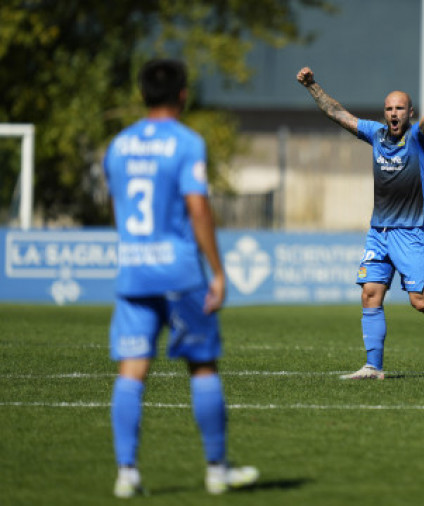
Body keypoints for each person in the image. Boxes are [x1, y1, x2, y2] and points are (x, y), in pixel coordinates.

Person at [103, 59, 258, 497]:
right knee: (202, 366)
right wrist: (219, 272)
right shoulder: (186, 143)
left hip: (133, 271)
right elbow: (198, 208)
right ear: (183, 95)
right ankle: (216, 469)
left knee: (131, 371)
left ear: (142, 94)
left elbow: (118, 210)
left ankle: (127, 474)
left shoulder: (119, 145)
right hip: (179, 273)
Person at [296, 66, 424, 380]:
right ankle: (373, 367)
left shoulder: (419, 138)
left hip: (410, 234)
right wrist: (312, 85)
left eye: (400, 108)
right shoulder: (376, 133)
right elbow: (337, 113)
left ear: (409, 112)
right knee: (370, 293)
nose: (394, 113)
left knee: (421, 302)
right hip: (378, 232)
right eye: (389, 109)